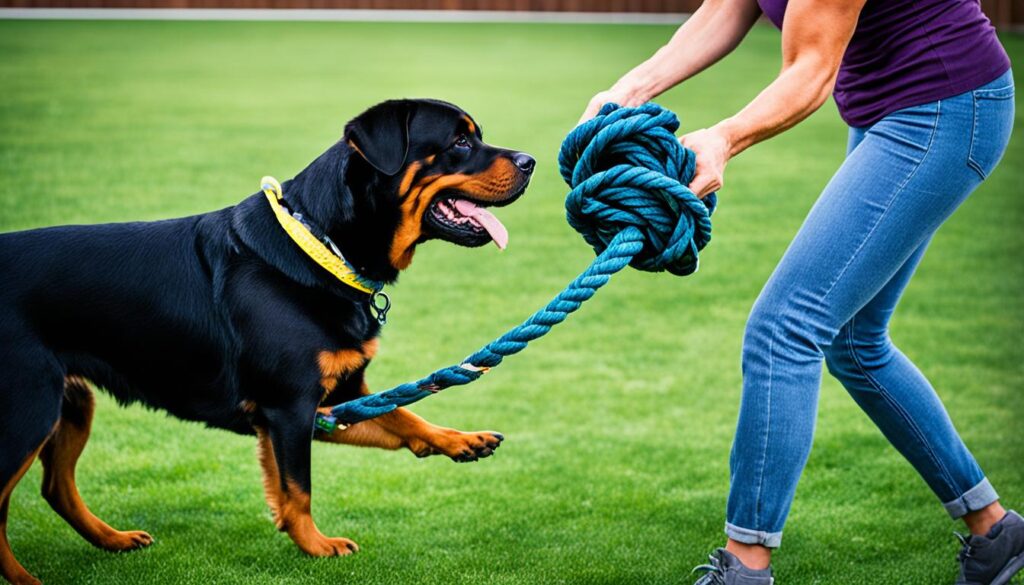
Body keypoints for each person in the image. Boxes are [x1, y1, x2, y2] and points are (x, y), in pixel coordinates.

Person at [580, 0, 1020, 583]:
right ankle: (996, 531)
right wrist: (630, 87)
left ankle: (746, 566)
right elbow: (726, 9)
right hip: (890, 109)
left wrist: (724, 139)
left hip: (944, 107)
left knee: (785, 328)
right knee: (856, 343)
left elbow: (812, 69)